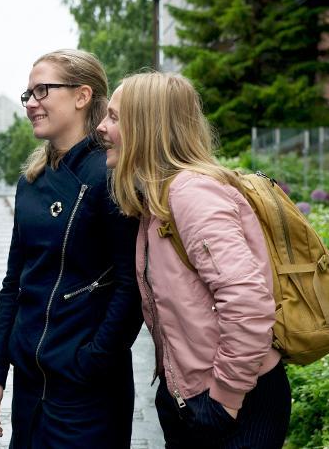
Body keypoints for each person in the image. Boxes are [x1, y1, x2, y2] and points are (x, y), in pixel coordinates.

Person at [97, 72, 291, 448]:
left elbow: (248, 303)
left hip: (236, 403)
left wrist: (223, 400)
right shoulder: (159, 198)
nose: (102, 128)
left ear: (147, 127)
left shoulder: (192, 194)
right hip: (191, 397)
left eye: (115, 117)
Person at [0, 49, 142, 448]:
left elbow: (131, 285)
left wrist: (91, 361)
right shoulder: (31, 181)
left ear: (82, 95)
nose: (31, 103)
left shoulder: (110, 175)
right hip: (32, 382)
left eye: (43, 91)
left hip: (87, 389)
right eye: (28, 94)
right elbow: (14, 283)